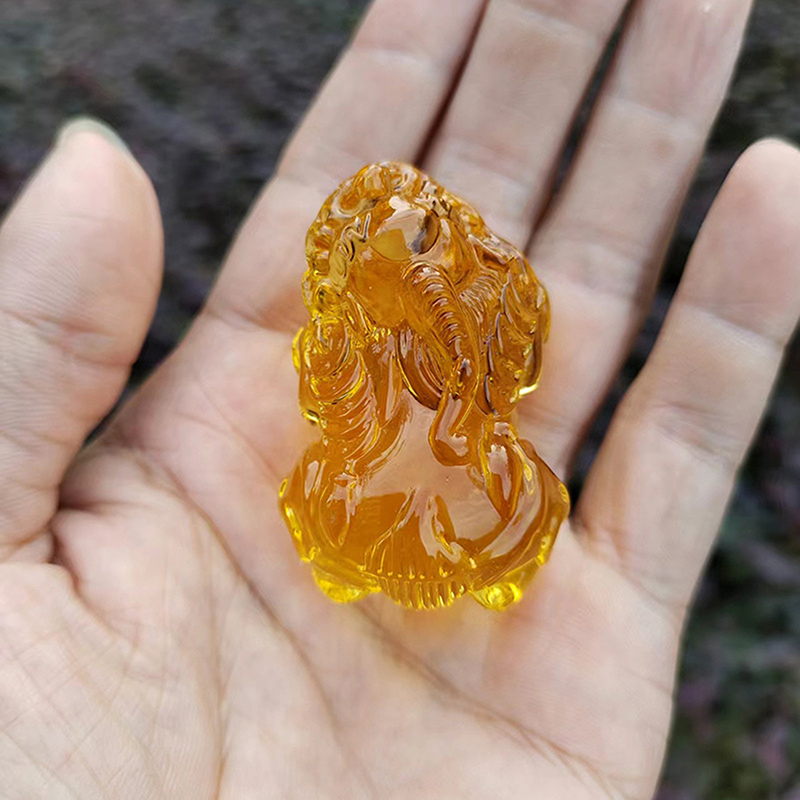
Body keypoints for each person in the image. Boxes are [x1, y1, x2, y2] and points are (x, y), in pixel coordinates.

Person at [0, 0, 797, 797]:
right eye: (388, 251)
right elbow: (344, 385)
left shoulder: (487, 314)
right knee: (360, 505)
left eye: (423, 243)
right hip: (378, 474)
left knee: (487, 508)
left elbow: (496, 358)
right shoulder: (350, 360)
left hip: (463, 461)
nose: (412, 263)